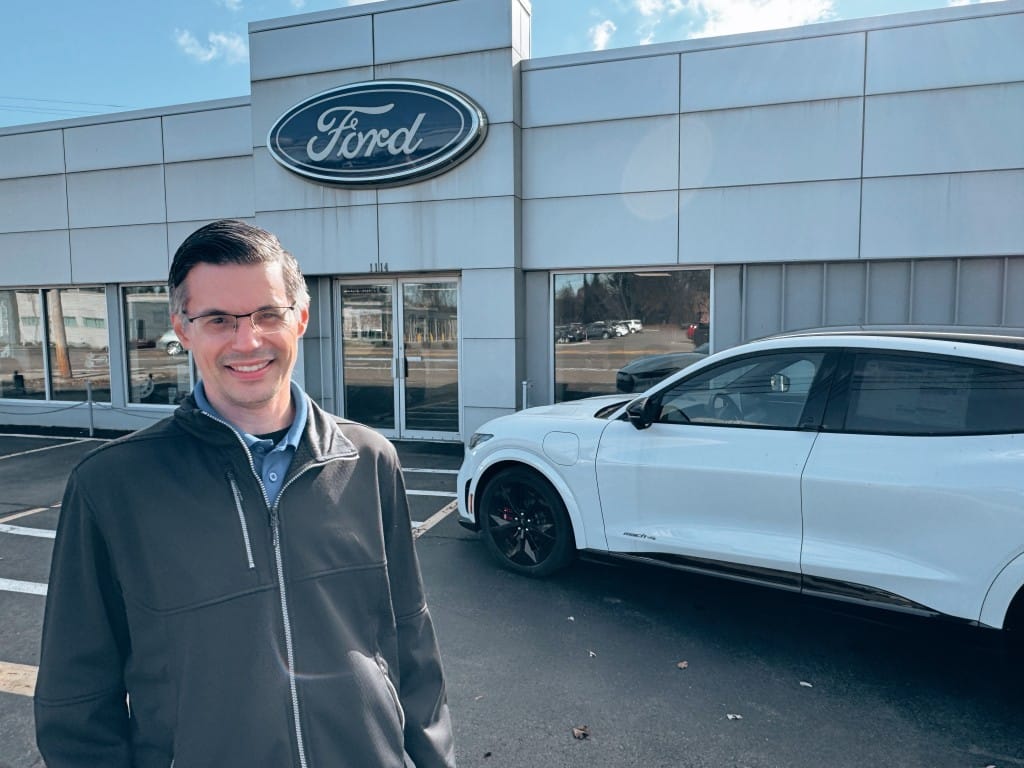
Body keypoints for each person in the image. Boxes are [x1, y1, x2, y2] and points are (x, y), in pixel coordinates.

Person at [35, 219, 456, 767]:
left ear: (300, 318)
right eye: (218, 320)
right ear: (183, 329)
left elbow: (413, 646)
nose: (247, 340)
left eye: (267, 314)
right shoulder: (112, 485)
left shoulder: (369, 459)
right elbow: (77, 704)